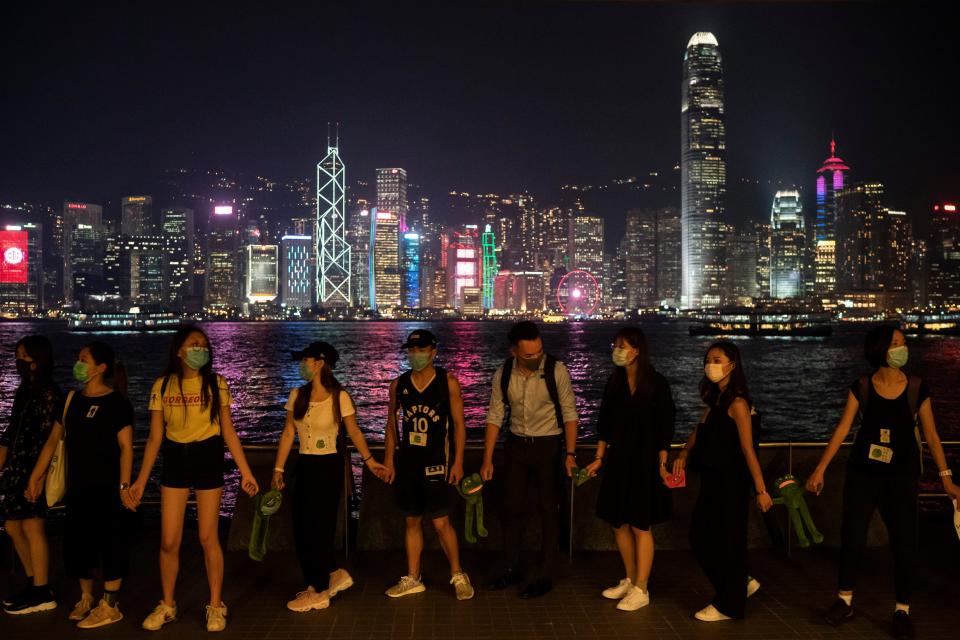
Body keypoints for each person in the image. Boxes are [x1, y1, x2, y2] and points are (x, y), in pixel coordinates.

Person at [805, 326, 960, 640]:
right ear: (879, 349)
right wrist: (820, 469)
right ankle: (844, 600)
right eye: (895, 344)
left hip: (902, 476)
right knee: (852, 537)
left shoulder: (917, 388)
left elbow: (932, 436)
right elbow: (842, 430)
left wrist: (947, 479)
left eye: (903, 343)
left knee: (905, 543)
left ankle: (902, 610)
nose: (901, 349)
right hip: (863, 472)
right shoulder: (862, 386)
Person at [127, 326, 259, 632]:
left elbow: (228, 431)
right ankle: (167, 604)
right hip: (175, 459)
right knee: (169, 540)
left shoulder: (217, 384)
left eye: (203, 344)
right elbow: (155, 438)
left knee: (207, 537)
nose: (201, 348)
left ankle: (216, 605)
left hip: (207, 457)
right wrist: (139, 481)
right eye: (194, 344)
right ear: (179, 351)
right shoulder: (163, 385)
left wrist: (246, 472)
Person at [272, 341, 389, 612]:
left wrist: (370, 462)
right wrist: (278, 469)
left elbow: (355, 432)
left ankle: (319, 590)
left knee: (320, 528)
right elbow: (289, 433)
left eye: (306, 360)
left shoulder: (340, 397)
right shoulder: (297, 395)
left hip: (329, 466)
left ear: (320, 363)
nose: (302, 364)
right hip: (305, 463)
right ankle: (332, 574)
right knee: (301, 527)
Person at [26, 341, 134, 628]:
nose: (78, 363)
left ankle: (110, 604)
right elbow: (53, 442)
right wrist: (36, 476)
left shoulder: (117, 403)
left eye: (83, 359)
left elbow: (126, 448)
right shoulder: (71, 399)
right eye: (78, 358)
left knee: (110, 545)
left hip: (108, 489)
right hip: (77, 487)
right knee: (78, 545)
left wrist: (125, 487)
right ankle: (86, 598)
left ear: (100, 368)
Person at [671, 341, 772, 622]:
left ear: (732, 365)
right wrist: (685, 451)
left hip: (731, 483)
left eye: (717, 359)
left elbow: (748, 448)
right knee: (701, 537)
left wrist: (761, 490)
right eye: (708, 359)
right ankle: (738, 584)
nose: (711, 365)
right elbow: (700, 427)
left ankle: (729, 604)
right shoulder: (716, 398)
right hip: (712, 480)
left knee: (726, 542)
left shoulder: (738, 403)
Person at [482, 321, 579, 599]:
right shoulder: (503, 375)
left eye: (539, 351)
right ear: (514, 351)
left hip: (549, 444)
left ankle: (546, 574)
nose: (536, 358)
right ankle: (510, 568)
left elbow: (570, 413)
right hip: (516, 445)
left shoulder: (556, 370)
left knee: (549, 510)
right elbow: (494, 416)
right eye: (528, 355)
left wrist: (570, 454)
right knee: (511, 507)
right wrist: (487, 459)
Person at [583, 327, 674, 611]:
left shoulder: (656, 383)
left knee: (640, 524)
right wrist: (599, 457)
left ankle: (642, 588)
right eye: (615, 345)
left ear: (637, 350)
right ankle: (631, 578)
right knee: (618, 522)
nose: (617, 350)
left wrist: (662, 463)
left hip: (645, 461)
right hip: (619, 459)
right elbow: (604, 424)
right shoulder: (615, 382)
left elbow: (665, 424)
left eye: (622, 346)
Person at [381, 329, 474, 601]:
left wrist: (457, 462)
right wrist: (389, 460)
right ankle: (413, 577)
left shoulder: (448, 382)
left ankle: (458, 574)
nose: (416, 355)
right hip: (408, 463)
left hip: (437, 464)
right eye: (411, 350)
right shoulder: (398, 385)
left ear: (433, 352)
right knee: (411, 521)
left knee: (441, 522)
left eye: (421, 350)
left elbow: (459, 426)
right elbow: (391, 425)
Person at [0, 335, 60, 615]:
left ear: (37, 360)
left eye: (23, 355)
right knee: (13, 526)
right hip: (17, 465)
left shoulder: (50, 393)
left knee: (33, 526)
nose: (19, 360)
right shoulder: (24, 390)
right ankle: (33, 581)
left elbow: (50, 439)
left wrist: (37, 476)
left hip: (35, 467)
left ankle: (42, 590)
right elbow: (11, 433)